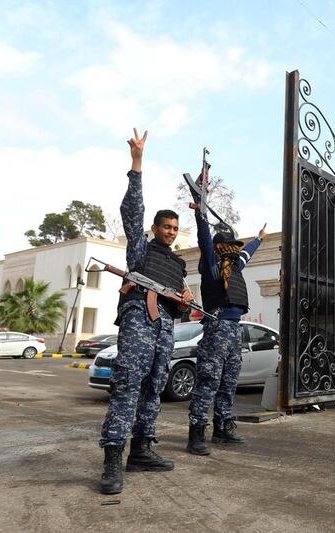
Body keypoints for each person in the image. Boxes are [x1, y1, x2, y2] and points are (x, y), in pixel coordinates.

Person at [98, 128, 193, 495]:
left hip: (165, 324)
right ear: (154, 229)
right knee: (128, 386)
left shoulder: (178, 263)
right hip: (140, 317)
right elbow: (131, 210)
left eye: (174, 228)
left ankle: (141, 451)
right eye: (165, 227)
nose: (170, 232)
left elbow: (179, 298)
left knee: (155, 387)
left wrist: (183, 296)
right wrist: (137, 163)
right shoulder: (140, 249)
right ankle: (112, 460)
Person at [186, 203, 267, 455]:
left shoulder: (235, 268)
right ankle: (196, 432)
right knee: (209, 380)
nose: (234, 250)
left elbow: (246, 255)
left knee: (229, 381)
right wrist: (201, 214)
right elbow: (204, 239)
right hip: (217, 326)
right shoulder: (211, 267)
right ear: (221, 248)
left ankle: (222, 427)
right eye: (229, 246)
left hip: (234, 330)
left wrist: (258, 240)